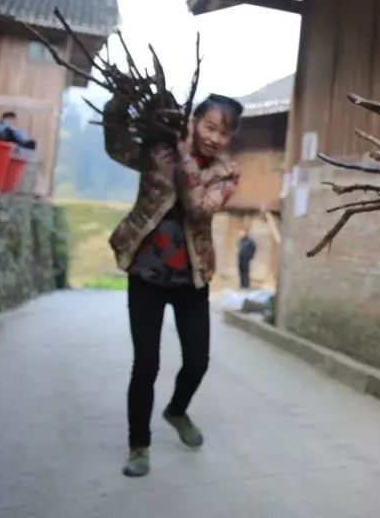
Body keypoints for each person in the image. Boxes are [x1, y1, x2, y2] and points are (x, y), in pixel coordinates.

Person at [104, 94, 242, 479]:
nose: (214, 138)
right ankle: (138, 446)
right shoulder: (157, 152)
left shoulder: (226, 174)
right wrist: (117, 105)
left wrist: (184, 158)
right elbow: (119, 149)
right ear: (194, 122)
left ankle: (177, 410)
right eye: (209, 126)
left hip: (191, 279)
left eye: (224, 133)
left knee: (198, 361)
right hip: (147, 275)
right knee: (146, 364)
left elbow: (198, 207)